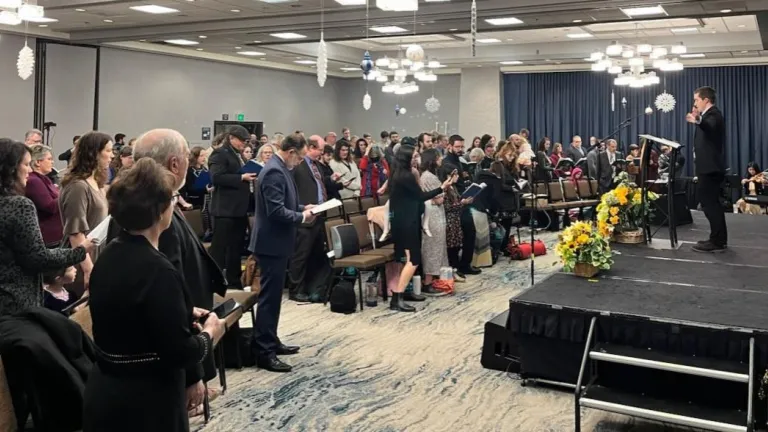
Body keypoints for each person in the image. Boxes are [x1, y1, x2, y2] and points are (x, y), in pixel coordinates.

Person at [83, 158, 225, 432]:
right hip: (146, 401)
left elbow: (129, 315)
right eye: (173, 197)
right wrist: (210, 333)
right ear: (161, 210)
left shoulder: (110, 254)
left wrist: (180, 312)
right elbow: (180, 353)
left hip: (105, 390)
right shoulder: (159, 270)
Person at [0, 139, 91, 316]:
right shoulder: (19, 205)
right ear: (11, 169)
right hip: (14, 302)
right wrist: (80, 251)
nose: (29, 170)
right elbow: (38, 258)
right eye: (26, 164)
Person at [250, 134, 314, 373]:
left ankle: (271, 340)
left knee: (275, 297)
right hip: (271, 243)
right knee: (269, 298)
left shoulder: (281, 168)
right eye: (300, 158)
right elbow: (276, 211)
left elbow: (285, 202)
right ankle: (264, 350)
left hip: (277, 242)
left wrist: (301, 208)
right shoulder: (275, 171)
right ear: (291, 152)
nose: (300, 163)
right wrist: (303, 217)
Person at [389, 145, 455, 312]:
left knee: (410, 259)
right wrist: (442, 188)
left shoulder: (397, 174)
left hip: (403, 220)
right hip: (406, 222)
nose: (417, 159)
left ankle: (404, 292)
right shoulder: (406, 176)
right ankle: (397, 297)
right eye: (414, 156)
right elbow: (420, 197)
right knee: (414, 260)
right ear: (407, 158)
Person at [59, 131, 113, 296]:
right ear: (94, 153)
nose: (112, 156)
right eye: (108, 151)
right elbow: (75, 233)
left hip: (96, 255)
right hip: (81, 262)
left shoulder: (96, 183)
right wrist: (89, 269)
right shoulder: (78, 186)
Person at [208, 125, 255, 288]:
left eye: (246, 141)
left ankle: (234, 282)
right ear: (231, 138)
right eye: (242, 141)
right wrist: (241, 177)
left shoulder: (238, 155)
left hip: (239, 209)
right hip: (225, 210)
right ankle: (212, 282)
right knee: (219, 249)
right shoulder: (220, 153)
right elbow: (217, 177)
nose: (244, 144)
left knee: (236, 248)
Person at [687, 86, 727, 253]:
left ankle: (717, 241)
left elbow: (709, 127)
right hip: (708, 167)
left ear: (706, 100)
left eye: (696, 100)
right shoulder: (707, 116)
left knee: (710, 204)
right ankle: (717, 238)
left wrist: (697, 120)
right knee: (711, 203)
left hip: (710, 168)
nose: (695, 103)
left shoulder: (714, 115)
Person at [419, 149, 450, 295]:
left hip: (434, 213)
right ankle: (428, 282)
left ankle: (437, 279)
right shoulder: (429, 177)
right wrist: (445, 188)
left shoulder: (428, 175)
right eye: (439, 158)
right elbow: (438, 198)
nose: (441, 160)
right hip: (432, 214)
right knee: (432, 248)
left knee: (437, 247)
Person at [26, 144, 64, 247]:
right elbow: (50, 207)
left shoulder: (45, 179)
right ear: (38, 162)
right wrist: (65, 194)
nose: (52, 162)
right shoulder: (34, 181)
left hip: (55, 235)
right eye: (49, 159)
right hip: (47, 237)